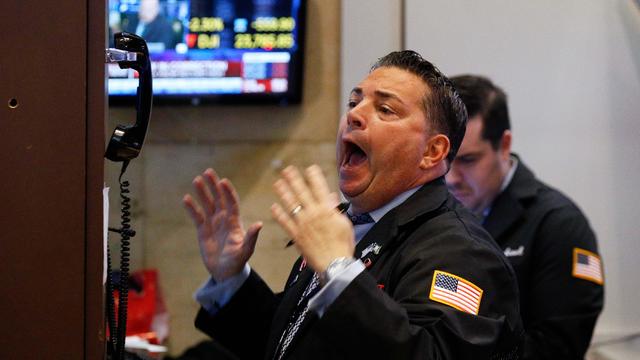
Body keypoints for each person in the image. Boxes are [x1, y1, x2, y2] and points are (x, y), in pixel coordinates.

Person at [183, 51, 523, 359]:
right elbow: (293, 345)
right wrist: (231, 278)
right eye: (353, 103)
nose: (355, 115)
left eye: (385, 109)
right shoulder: (349, 225)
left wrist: (339, 272)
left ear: (432, 152)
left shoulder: (463, 252)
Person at [446, 75, 604, 359]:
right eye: (445, 158)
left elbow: (556, 349)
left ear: (504, 145)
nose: (452, 178)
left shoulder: (559, 225)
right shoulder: (438, 214)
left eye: (467, 160)